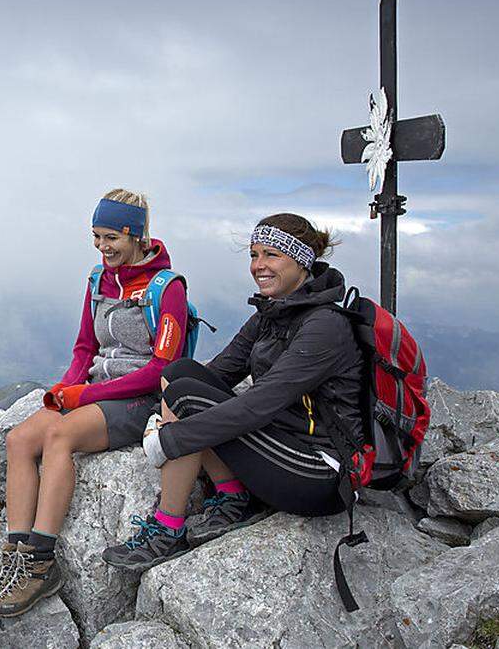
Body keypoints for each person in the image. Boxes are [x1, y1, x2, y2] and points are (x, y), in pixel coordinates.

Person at [101, 213, 363, 573]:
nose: (258, 266)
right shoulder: (271, 315)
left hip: (319, 472)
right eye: (254, 255)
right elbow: (214, 375)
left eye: (272, 255)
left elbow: (260, 403)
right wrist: (160, 415)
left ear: (301, 260)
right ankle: (233, 496)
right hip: (278, 446)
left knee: (185, 398)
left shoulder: (325, 326)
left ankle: (167, 530)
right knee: (179, 375)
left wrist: (173, 438)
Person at [0, 189, 190, 617]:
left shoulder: (168, 289)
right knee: (21, 439)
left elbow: (161, 368)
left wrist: (84, 396)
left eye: (111, 237)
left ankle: (40, 564)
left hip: (143, 399)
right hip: (98, 391)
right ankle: (16, 554)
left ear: (135, 235)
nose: (103, 247)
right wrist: (64, 390)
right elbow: (84, 347)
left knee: (59, 436)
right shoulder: (99, 280)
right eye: (96, 237)